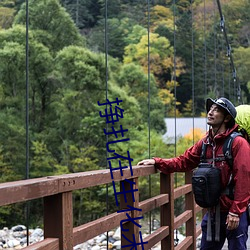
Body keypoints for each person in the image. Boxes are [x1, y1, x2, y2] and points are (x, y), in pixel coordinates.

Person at [137, 97, 250, 250]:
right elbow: (184, 161)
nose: (210, 112)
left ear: (227, 118)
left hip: (233, 211)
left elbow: (244, 178)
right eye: (210, 109)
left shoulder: (238, 143)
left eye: (216, 110)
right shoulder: (205, 143)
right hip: (212, 211)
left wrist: (236, 212)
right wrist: (157, 162)